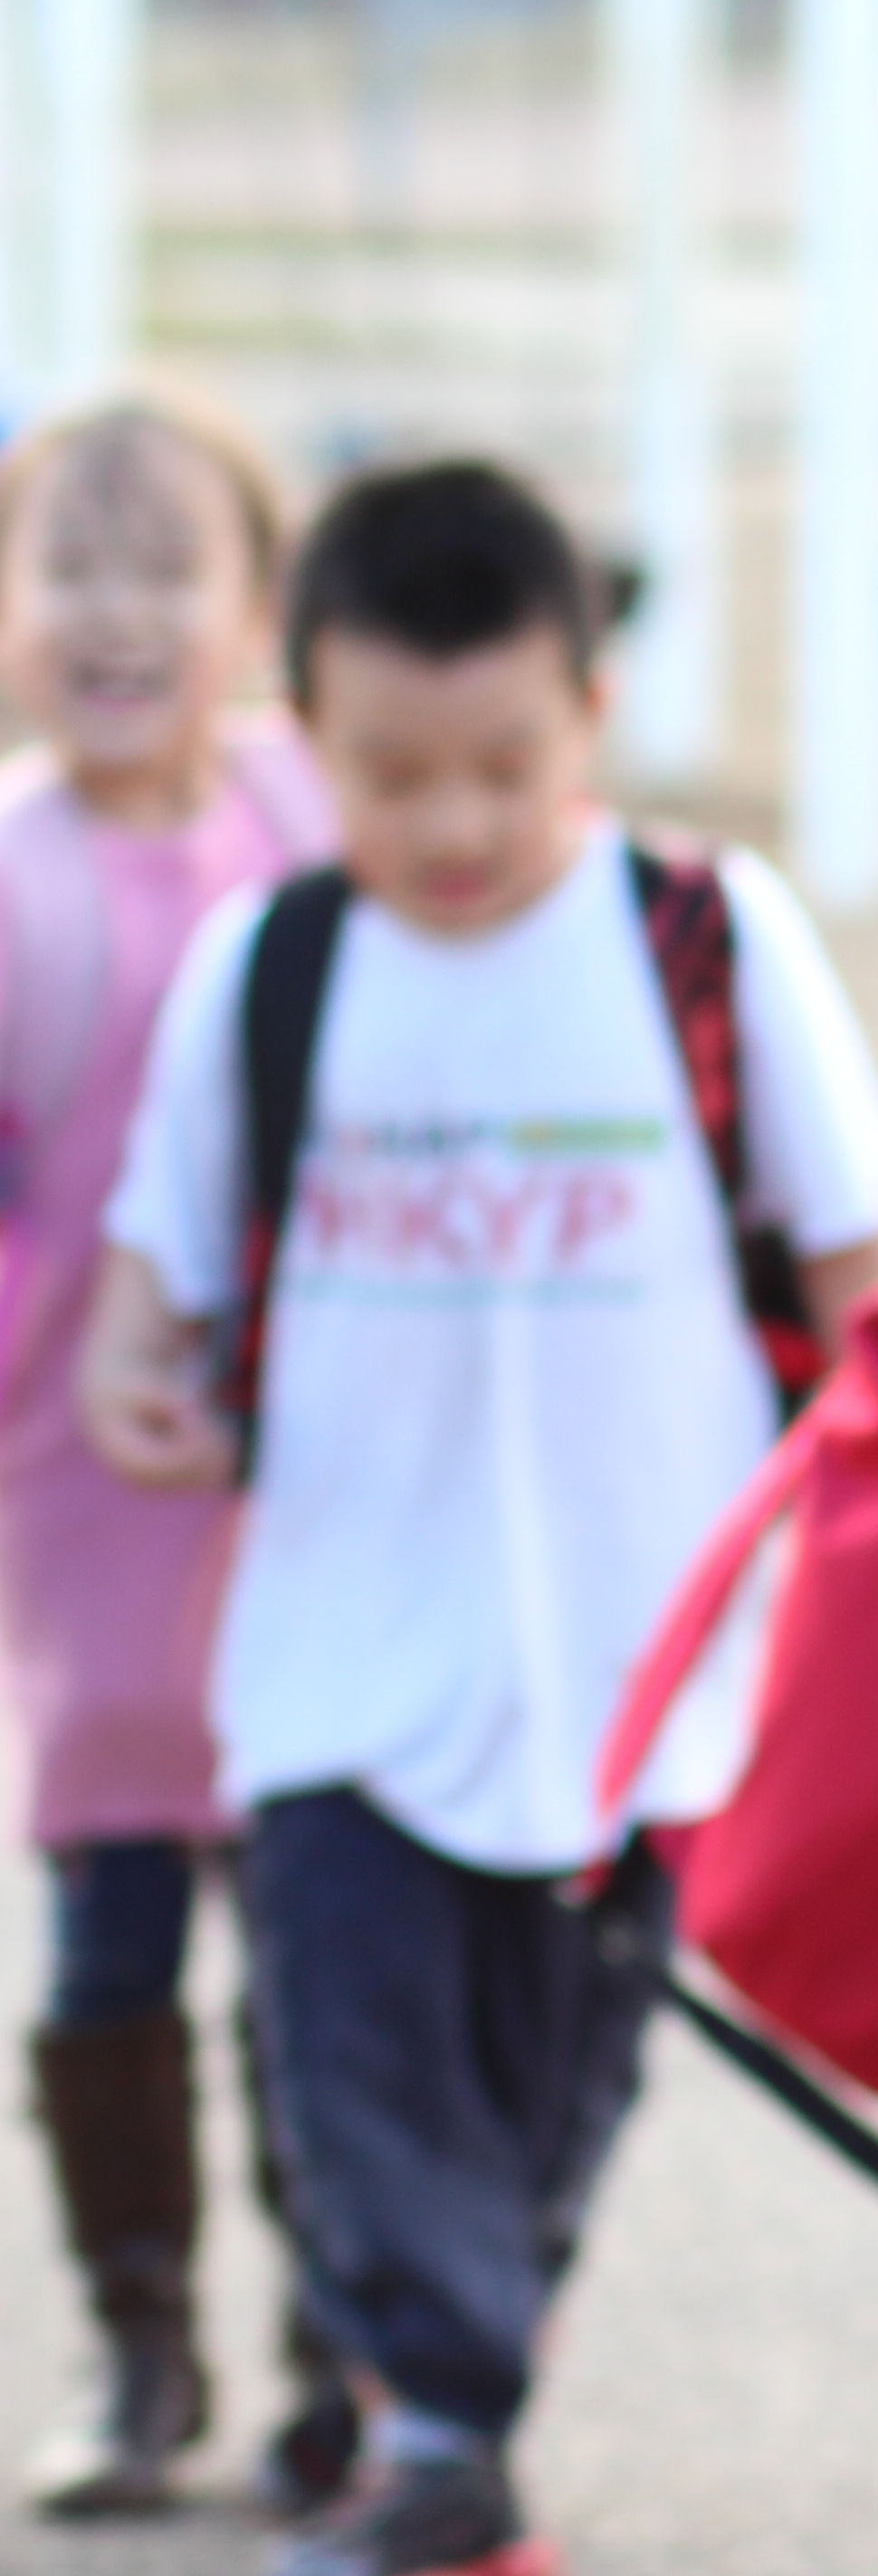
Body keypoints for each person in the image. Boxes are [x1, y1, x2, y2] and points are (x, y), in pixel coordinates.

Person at [78, 458, 878, 2576]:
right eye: (390, 775)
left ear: (591, 712)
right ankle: (439, 2435)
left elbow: (858, 1278)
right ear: (306, 731)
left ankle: (433, 2394)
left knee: (552, 2093)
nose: (450, 827)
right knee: (347, 2054)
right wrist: (132, 1383)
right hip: (339, 1642)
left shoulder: (708, 941)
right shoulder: (272, 965)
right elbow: (148, 1281)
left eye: (504, 768)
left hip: (652, 1663)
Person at [0, 394, 345, 2515]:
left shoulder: (322, 814)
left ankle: (353, 2341)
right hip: (79, 1481)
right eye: (67, 566)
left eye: (163, 569)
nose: (113, 615)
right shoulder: (12, 869)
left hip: (315, 1471)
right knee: (116, 1922)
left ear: (259, 608)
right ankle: (142, 2349)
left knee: (330, 1924)